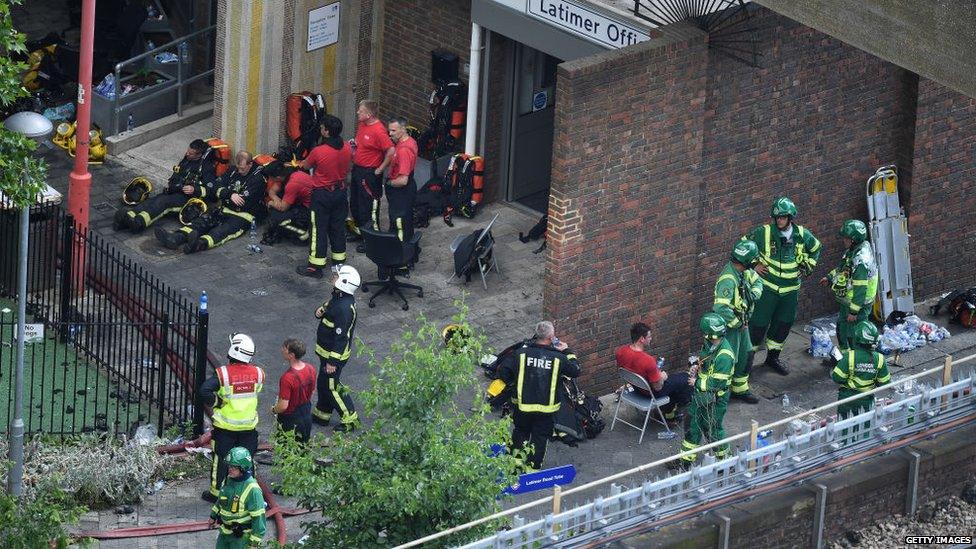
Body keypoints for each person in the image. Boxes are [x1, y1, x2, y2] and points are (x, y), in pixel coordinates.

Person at [741, 197, 821, 375]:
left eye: (783, 217)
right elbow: (743, 244)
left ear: (790, 218)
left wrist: (807, 266)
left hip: (790, 292)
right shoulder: (764, 233)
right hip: (767, 290)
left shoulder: (802, 234)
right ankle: (746, 365)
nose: (779, 220)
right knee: (757, 325)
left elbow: (816, 248)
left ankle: (772, 358)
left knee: (783, 325)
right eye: (777, 217)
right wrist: (754, 264)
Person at [497, 321, 581, 471]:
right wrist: (568, 351)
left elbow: (503, 372)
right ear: (551, 337)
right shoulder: (558, 358)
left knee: (520, 432)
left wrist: (515, 384)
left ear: (536, 335)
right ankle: (533, 469)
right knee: (540, 437)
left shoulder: (521, 354)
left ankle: (515, 465)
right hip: (546, 409)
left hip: (522, 406)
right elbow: (575, 370)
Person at [155, 151, 266, 254]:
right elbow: (216, 186)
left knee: (221, 232)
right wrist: (230, 194)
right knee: (201, 222)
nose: (239, 171)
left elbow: (241, 202)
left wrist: (224, 193)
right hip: (224, 209)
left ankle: (198, 245)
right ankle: (175, 238)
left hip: (243, 216)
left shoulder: (258, 180)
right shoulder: (233, 171)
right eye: (238, 168)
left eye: (242, 169)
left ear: (250, 164)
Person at [199, 333, 265, 502]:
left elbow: (204, 390)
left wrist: (217, 402)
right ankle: (250, 493)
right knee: (247, 460)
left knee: (220, 460)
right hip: (248, 428)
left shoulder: (222, 374)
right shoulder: (259, 373)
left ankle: (215, 493)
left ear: (233, 350)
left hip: (225, 430)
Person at [114, 139, 216, 231]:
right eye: (187, 151)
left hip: (187, 198)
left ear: (199, 154)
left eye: (191, 153)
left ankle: (139, 223)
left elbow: (211, 191)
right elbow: (176, 174)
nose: (187, 154)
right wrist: (173, 184)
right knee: (152, 200)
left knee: (163, 202)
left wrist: (194, 189)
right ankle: (128, 218)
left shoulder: (206, 168)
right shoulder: (187, 160)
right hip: (175, 190)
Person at [676, 313, 735, 469]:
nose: (703, 335)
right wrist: (697, 365)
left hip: (715, 400)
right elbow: (707, 363)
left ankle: (725, 462)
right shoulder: (710, 344)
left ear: (712, 333)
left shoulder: (724, 356)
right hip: (702, 397)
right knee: (692, 426)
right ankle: (686, 461)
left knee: (713, 430)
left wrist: (697, 382)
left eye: (705, 333)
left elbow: (717, 383)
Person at [297, 115, 353, 278]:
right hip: (341, 192)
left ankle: (315, 267)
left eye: (322, 128)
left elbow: (306, 165)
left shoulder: (318, 151)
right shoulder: (347, 147)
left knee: (318, 229)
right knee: (337, 227)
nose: (320, 130)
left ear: (327, 132)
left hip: (322, 194)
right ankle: (338, 261)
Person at [712, 240, 763, 404]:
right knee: (728, 360)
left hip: (742, 325)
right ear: (747, 260)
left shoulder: (743, 272)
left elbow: (757, 280)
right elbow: (720, 308)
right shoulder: (729, 279)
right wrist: (738, 323)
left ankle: (740, 390)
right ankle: (721, 395)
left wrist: (754, 294)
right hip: (730, 328)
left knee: (746, 355)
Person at [311, 265, 361, 432]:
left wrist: (333, 361)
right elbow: (328, 307)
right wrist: (321, 310)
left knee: (333, 386)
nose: (333, 277)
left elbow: (341, 338)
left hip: (334, 357)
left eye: (337, 276)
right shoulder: (339, 298)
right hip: (325, 353)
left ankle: (350, 419)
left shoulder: (344, 308)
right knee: (323, 383)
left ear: (344, 282)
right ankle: (322, 414)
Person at [821, 220, 879, 362]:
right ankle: (845, 359)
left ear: (853, 240)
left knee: (854, 335)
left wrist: (854, 311)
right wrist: (829, 277)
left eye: (846, 238)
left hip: (857, 306)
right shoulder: (852, 252)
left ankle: (856, 362)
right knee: (842, 329)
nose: (843, 241)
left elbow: (860, 288)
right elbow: (843, 269)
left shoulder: (861, 261)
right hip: (848, 303)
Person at [615, 322, 691, 422]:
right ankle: (669, 413)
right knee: (686, 378)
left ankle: (669, 408)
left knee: (676, 380)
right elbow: (658, 388)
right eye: (649, 336)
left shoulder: (620, 351)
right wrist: (662, 377)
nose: (651, 338)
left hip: (635, 387)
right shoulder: (648, 360)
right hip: (650, 394)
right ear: (642, 339)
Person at [830, 321, 890, 440]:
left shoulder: (849, 356)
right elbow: (884, 382)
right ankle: (862, 448)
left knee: (844, 428)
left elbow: (837, 377)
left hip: (847, 399)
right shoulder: (880, 359)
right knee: (864, 428)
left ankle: (844, 451)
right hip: (866, 400)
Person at [348, 100, 395, 252]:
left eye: (360, 111)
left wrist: (380, 169)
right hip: (358, 169)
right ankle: (360, 233)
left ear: (369, 114)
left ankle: (372, 240)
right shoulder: (363, 125)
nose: (357, 113)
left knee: (368, 207)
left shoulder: (379, 130)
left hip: (369, 173)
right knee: (355, 203)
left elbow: (390, 151)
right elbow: (361, 143)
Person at [208, 447, 266, 548]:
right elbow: (221, 500)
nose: (230, 469)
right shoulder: (228, 479)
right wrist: (213, 516)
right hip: (225, 532)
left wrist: (254, 543)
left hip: (242, 537)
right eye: (229, 466)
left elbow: (258, 518)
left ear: (243, 468)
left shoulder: (253, 490)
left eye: (234, 467)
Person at [271, 338, 316, 443]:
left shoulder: (287, 378)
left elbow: (283, 406)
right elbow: (312, 391)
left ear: (291, 355)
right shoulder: (310, 369)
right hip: (306, 414)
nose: (282, 350)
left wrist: (273, 410)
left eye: (285, 348)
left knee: (287, 450)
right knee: (303, 447)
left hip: (290, 420)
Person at [386, 116, 419, 243]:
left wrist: (389, 183)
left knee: (399, 223)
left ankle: (401, 251)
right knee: (405, 222)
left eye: (393, 131)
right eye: (390, 130)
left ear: (403, 129)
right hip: (407, 189)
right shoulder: (410, 141)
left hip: (401, 192)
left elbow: (403, 180)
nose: (390, 133)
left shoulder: (404, 150)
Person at [263, 161, 311, 245]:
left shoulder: (292, 184)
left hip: (310, 209)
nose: (270, 180)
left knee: (277, 218)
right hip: (303, 203)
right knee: (275, 212)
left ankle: (302, 233)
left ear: (277, 177)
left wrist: (271, 203)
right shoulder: (287, 173)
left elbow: (283, 208)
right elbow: (272, 191)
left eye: (271, 178)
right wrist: (277, 200)